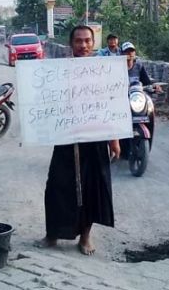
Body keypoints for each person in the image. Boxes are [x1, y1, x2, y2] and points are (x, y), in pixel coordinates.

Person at [39, 25, 121, 255]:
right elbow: (45, 102)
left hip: (95, 138)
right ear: (71, 44)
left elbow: (111, 106)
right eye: (78, 41)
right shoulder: (59, 71)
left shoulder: (104, 71)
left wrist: (113, 139)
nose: (83, 45)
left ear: (93, 43)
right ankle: (52, 234)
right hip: (66, 137)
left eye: (87, 41)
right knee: (57, 186)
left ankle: (85, 237)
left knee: (92, 188)